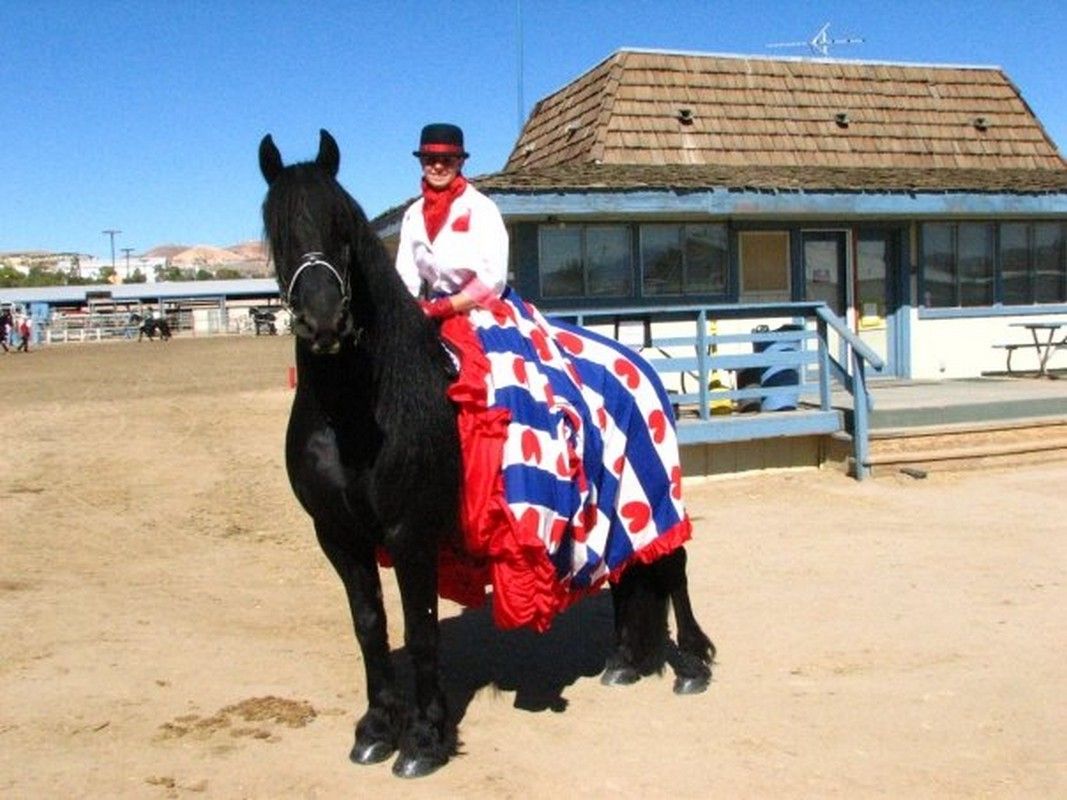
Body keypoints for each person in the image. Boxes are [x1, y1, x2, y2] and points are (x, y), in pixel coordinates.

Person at [396, 123, 692, 632]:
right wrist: (410, 314)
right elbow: (405, 277)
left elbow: (491, 280)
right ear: (421, 162)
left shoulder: (481, 209)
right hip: (431, 315)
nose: (437, 166)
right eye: (429, 158)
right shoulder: (411, 216)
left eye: (446, 158)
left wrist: (445, 307)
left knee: (515, 394)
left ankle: (531, 495)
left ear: (461, 162)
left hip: (484, 313)